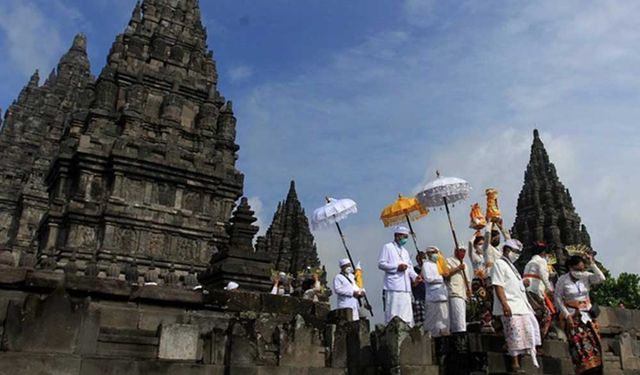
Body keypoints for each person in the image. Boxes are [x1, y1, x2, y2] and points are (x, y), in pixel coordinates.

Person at [491, 239, 541, 371]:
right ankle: (514, 363)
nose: (517, 254)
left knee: (529, 329)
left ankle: (525, 355)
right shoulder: (499, 264)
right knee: (514, 333)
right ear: (507, 250)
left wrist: (523, 283)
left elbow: (513, 286)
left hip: (521, 305)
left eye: (519, 252)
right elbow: (498, 285)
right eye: (516, 251)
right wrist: (504, 304)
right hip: (510, 305)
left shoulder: (512, 267)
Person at [554, 254, 605, 375]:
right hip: (573, 316)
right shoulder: (563, 280)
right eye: (578, 269)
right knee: (580, 347)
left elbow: (601, 278)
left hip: (588, 315)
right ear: (571, 267)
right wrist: (567, 315)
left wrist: (592, 263)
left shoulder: (586, 277)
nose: (580, 272)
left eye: (582, 269)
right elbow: (558, 298)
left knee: (595, 344)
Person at [378, 225, 422, 327]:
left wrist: (415, 276)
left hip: (405, 287)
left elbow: (410, 268)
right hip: (393, 286)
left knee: (407, 314)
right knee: (394, 313)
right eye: (404, 236)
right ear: (397, 235)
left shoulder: (405, 252)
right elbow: (381, 264)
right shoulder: (388, 247)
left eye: (407, 237)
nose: (405, 239)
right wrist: (396, 267)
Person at [523, 241, 555, 339]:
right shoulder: (541, 261)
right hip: (535, 291)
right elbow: (543, 276)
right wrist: (550, 289)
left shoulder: (530, 262)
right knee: (545, 315)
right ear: (543, 253)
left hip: (527, 290)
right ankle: (539, 339)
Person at [469, 233, 495, 333]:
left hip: (487, 280)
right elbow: (470, 244)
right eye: (479, 244)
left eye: (482, 244)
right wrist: (475, 235)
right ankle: (484, 322)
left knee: (490, 301)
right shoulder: (473, 255)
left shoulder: (486, 256)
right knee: (483, 300)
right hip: (477, 282)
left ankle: (489, 322)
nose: (481, 246)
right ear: (475, 245)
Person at [422, 246, 450, 337]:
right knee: (431, 320)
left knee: (444, 320)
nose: (435, 255)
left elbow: (447, 275)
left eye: (436, 252)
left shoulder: (440, 264)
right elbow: (429, 279)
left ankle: (444, 333)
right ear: (428, 254)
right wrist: (440, 278)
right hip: (432, 297)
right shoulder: (426, 264)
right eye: (432, 253)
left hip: (443, 295)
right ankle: (430, 336)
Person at [445, 246, 471, 333]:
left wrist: (469, 290)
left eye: (464, 251)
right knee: (458, 320)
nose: (462, 253)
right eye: (461, 251)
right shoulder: (449, 260)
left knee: (461, 318)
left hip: (463, 294)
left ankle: (459, 335)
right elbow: (446, 274)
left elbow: (467, 280)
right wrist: (458, 268)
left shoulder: (465, 264)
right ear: (456, 251)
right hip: (454, 293)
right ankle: (459, 335)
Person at [412, 251, 427, 326]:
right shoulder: (414, 270)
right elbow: (413, 284)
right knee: (420, 322)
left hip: (428, 298)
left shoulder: (428, 269)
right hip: (418, 298)